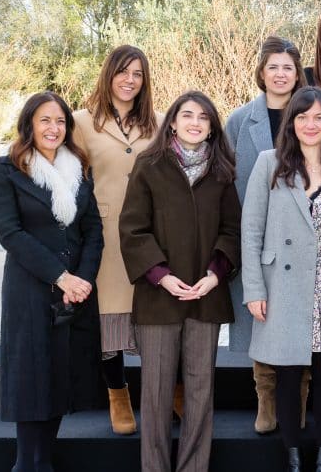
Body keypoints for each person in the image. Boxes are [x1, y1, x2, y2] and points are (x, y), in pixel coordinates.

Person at [241, 87, 321, 472]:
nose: (310, 124)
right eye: (302, 117)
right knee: (286, 372)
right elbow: (251, 230)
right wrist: (254, 289)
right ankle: (293, 452)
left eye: (319, 117)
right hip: (284, 288)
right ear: (291, 122)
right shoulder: (270, 163)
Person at [120, 91, 241, 472]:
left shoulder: (222, 171)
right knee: (155, 395)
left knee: (200, 391)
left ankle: (193, 467)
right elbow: (133, 228)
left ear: (211, 127)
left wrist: (214, 274)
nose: (194, 122)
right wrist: (161, 276)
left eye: (203, 117)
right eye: (186, 115)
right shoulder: (149, 165)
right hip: (159, 298)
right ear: (171, 121)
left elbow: (232, 230)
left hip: (205, 297)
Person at [0, 91, 103, 472]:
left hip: (73, 296)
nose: (53, 128)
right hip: (31, 292)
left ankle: (44, 461)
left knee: (58, 377)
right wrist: (62, 276)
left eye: (60, 121)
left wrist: (82, 280)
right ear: (29, 125)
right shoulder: (5, 169)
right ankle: (27, 463)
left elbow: (93, 230)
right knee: (31, 379)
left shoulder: (80, 169)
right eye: (45, 120)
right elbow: (10, 233)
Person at [73, 44, 160, 436]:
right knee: (109, 318)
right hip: (104, 235)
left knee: (157, 317)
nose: (130, 80)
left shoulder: (158, 122)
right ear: (109, 74)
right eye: (123, 71)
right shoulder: (80, 122)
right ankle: (118, 394)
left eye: (138, 73)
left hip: (150, 233)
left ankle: (171, 389)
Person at [226, 36, 308, 434]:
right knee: (262, 316)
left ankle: (300, 398)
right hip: (257, 234)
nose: (280, 74)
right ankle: (266, 398)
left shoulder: (312, 116)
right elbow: (226, 181)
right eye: (273, 67)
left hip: (305, 236)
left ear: (298, 74)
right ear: (261, 72)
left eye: (288, 67)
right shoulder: (240, 121)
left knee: (303, 319)